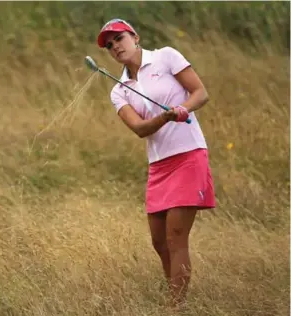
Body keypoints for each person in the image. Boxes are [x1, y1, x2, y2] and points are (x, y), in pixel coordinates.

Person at [96, 18, 216, 310]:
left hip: (189, 155)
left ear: (135, 37)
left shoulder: (166, 56)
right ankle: (177, 296)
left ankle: (175, 306)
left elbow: (200, 93)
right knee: (159, 242)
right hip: (159, 166)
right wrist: (164, 117)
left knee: (176, 237)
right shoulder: (119, 89)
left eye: (119, 39)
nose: (115, 47)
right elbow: (139, 129)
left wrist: (181, 109)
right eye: (110, 46)